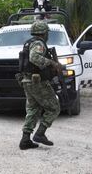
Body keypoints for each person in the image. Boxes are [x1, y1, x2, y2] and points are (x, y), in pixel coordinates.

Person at [18, 21, 62, 150]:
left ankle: (25, 140)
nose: (48, 34)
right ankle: (40, 134)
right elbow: (34, 57)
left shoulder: (29, 42)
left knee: (33, 109)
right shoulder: (38, 43)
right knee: (54, 108)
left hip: (27, 81)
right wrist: (52, 63)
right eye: (47, 32)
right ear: (44, 32)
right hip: (37, 81)